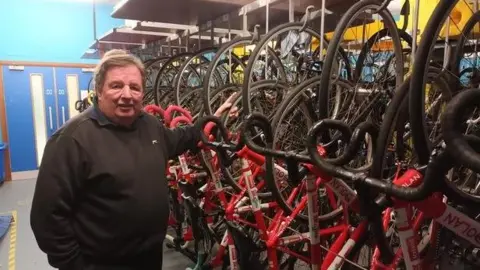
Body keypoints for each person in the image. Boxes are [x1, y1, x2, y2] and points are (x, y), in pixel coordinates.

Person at [30, 49, 236, 270]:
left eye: (134, 87)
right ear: (99, 90)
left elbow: (180, 138)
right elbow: (47, 220)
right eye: (116, 86)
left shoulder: (149, 125)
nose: (127, 94)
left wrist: (213, 120)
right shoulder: (72, 140)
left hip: (148, 259)